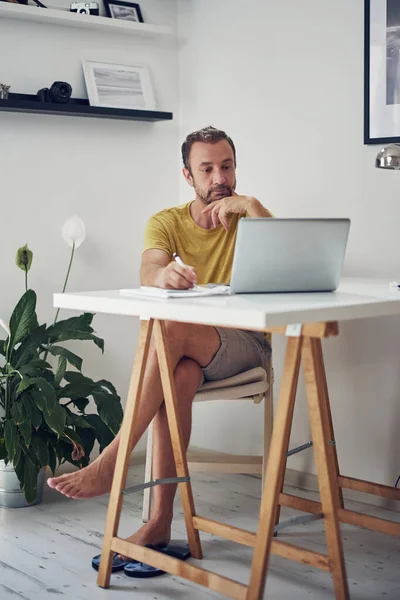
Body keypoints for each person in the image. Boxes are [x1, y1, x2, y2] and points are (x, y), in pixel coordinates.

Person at [47, 126, 273, 553]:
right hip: (195, 352)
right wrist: (162, 276)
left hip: (250, 345)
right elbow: (148, 270)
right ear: (188, 175)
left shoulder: (250, 217)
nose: (218, 178)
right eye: (206, 169)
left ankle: (113, 460)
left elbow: (288, 262)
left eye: (226, 166)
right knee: (179, 378)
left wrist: (255, 206)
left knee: (167, 326)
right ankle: (159, 521)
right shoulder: (167, 222)